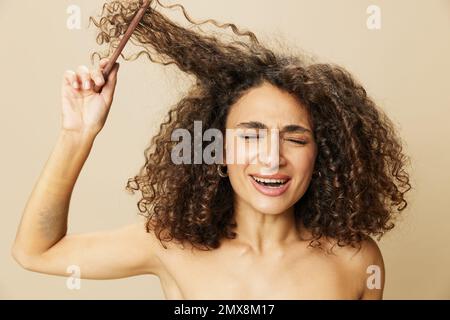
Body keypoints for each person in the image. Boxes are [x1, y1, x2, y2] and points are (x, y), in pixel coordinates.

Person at [12, 0, 410, 299]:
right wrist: (78, 133)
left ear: (324, 152)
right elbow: (37, 252)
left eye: (295, 138)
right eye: (250, 136)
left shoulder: (356, 260)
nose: (272, 158)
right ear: (215, 147)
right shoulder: (170, 245)